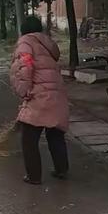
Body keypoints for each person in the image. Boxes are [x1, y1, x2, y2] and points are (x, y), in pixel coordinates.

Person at [10, 16, 70, 184]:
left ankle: (34, 176)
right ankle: (62, 170)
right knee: (55, 134)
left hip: (39, 96)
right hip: (56, 95)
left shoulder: (26, 43)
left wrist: (24, 92)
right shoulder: (47, 43)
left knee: (29, 139)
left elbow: (25, 66)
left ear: (23, 29)